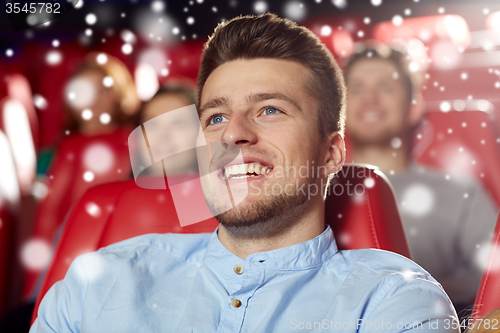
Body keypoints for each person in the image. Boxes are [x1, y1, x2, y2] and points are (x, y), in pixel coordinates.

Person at [31, 14, 459, 332]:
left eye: (269, 110)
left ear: (331, 154)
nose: (233, 133)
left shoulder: (394, 303)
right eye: (215, 117)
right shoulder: (95, 284)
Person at [343, 42, 498, 309]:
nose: (369, 98)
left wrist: (409, 293)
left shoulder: (460, 192)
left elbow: (493, 276)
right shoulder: (312, 187)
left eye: (386, 87)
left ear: (414, 106)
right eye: (356, 89)